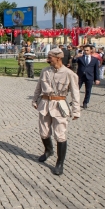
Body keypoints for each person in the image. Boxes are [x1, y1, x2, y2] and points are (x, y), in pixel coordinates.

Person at [32, 48, 80, 176]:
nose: (48, 59)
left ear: (58, 58)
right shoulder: (45, 71)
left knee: (60, 135)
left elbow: (76, 94)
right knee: (44, 132)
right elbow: (38, 87)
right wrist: (35, 99)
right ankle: (48, 150)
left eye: (50, 57)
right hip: (44, 105)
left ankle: (60, 163)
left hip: (60, 105)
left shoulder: (69, 74)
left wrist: (76, 111)